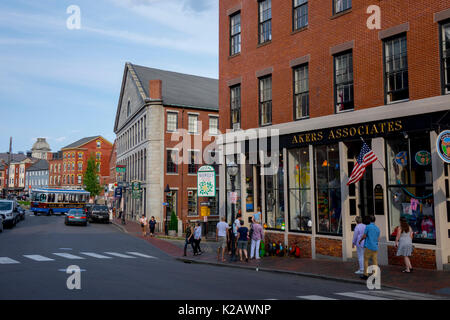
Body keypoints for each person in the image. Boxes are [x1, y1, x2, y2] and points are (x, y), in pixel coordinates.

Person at [359, 215, 380, 280]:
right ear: (375, 220)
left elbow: (365, 236)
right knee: (375, 261)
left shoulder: (368, 227)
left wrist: (360, 240)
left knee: (366, 260)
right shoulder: (377, 228)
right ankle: (375, 275)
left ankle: (365, 274)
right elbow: (378, 238)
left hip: (369, 246)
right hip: (375, 246)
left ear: (369, 220)